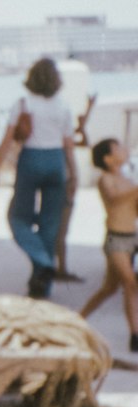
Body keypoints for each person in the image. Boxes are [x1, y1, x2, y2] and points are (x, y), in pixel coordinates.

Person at [0, 58, 77, 300]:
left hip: (31, 160)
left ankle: (41, 261)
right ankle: (41, 285)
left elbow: (7, 141)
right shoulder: (63, 106)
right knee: (50, 224)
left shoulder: (23, 103)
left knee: (17, 218)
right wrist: (74, 174)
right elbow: (69, 146)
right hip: (56, 162)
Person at [80, 138, 138, 352]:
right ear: (107, 159)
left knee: (109, 288)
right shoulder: (106, 179)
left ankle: (79, 318)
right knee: (129, 283)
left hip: (132, 237)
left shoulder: (129, 181)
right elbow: (114, 199)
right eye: (118, 148)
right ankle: (135, 334)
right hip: (116, 239)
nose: (124, 149)